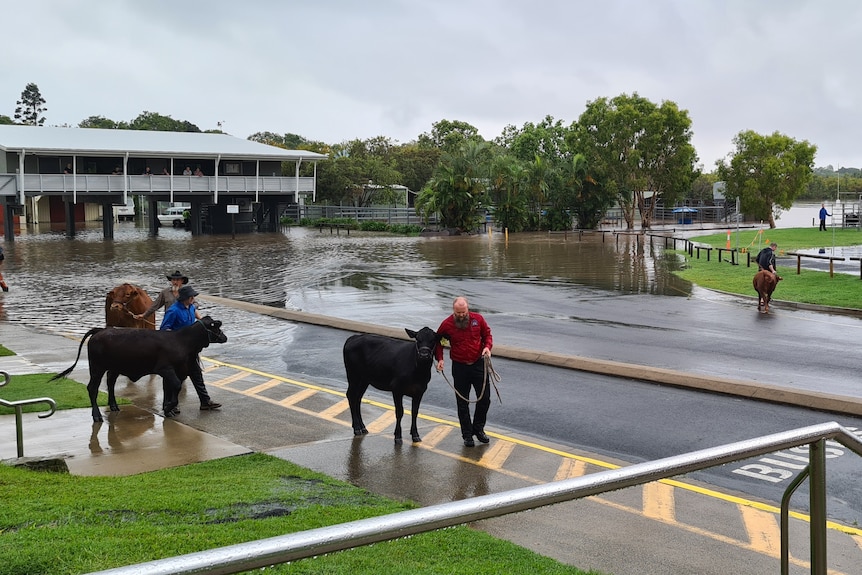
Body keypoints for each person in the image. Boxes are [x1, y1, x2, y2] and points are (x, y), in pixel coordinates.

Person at [435, 296, 494, 447]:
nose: (461, 315)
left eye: (463, 312)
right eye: (458, 312)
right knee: (462, 402)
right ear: (453, 310)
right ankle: (467, 435)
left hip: (478, 364)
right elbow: (438, 342)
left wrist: (487, 347)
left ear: (468, 308)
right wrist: (440, 359)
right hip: (459, 367)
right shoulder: (446, 325)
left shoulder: (478, 319)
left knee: (485, 399)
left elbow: (487, 335)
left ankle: (478, 429)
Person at [159, 285, 222, 414]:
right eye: (191, 297)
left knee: (197, 375)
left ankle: (205, 401)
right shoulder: (173, 311)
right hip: (177, 353)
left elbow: (197, 321)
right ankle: (170, 404)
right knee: (174, 380)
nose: (193, 298)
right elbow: (164, 330)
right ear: (184, 298)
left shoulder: (191, 307)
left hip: (191, 351)